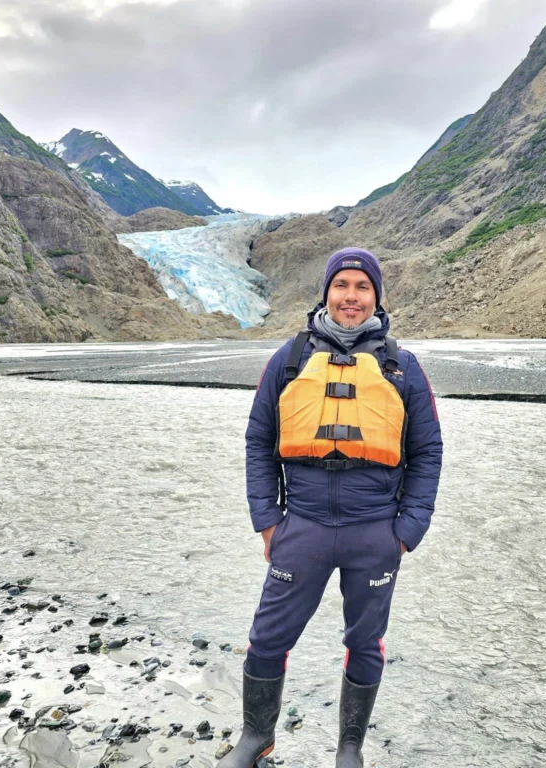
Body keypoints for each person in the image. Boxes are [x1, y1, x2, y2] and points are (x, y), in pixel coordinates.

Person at [219, 247, 443, 767]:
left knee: (365, 643)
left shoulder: (402, 366)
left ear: (376, 297)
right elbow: (259, 439)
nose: (351, 296)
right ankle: (257, 736)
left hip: (375, 533)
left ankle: (349, 748)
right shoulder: (290, 359)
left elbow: (428, 451)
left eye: (362, 287)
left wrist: (409, 528)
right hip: (303, 527)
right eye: (341, 285)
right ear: (326, 292)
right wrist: (267, 519)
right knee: (267, 638)